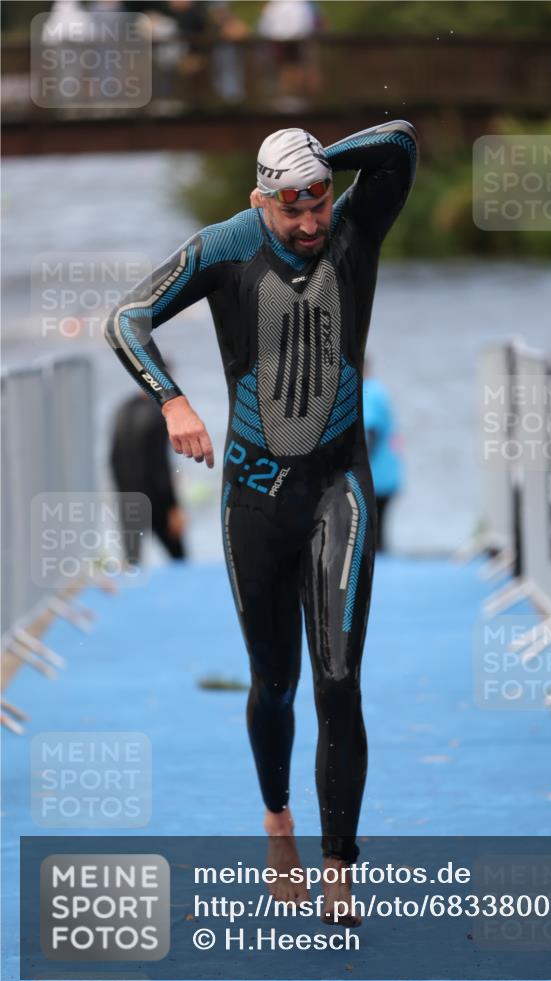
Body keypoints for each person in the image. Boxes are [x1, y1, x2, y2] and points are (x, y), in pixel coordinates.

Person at [105, 119, 417, 924]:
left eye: (318, 203)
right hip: (254, 498)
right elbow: (126, 320)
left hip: (337, 487)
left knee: (339, 680)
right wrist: (172, 400)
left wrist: (320, 159)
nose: (311, 224)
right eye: (292, 208)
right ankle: (278, 822)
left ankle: (339, 863)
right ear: (259, 201)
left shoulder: (356, 228)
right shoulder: (224, 246)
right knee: (274, 684)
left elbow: (401, 143)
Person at [110, 388, 187, 564]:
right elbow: (160, 466)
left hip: (128, 499)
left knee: (132, 563)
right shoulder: (158, 414)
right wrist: (173, 507)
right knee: (179, 559)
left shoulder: (122, 410)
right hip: (156, 500)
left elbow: (113, 459)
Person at [363, 361, 403, 551]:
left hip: (376, 476)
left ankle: (378, 570)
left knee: (372, 530)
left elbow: (372, 431)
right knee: (378, 530)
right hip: (387, 473)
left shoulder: (369, 392)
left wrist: (360, 462)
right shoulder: (378, 390)